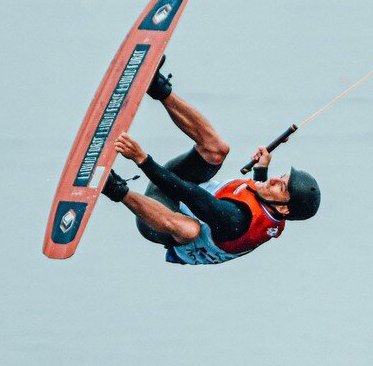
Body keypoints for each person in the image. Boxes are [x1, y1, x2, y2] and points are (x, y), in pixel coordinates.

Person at [101, 59, 320, 266]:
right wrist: (261, 170)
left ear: (283, 207)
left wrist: (141, 158)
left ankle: (114, 188)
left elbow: (187, 192)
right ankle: (157, 87)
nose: (274, 179)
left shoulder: (234, 221)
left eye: (280, 186)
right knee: (218, 150)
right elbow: (260, 202)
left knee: (189, 229)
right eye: (281, 177)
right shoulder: (276, 211)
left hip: (160, 219)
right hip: (179, 187)